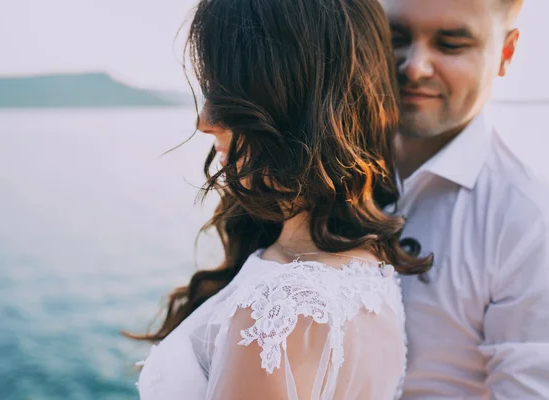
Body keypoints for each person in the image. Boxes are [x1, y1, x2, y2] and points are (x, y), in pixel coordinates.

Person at [132, 0, 432, 398]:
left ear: (293, 102)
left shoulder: (276, 314)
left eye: (225, 94)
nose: (204, 121)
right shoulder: (371, 268)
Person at [379, 0, 549, 398]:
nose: (414, 67)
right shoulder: (313, 170)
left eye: (451, 45)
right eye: (396, 38)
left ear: (505, 53)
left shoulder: (529, 221)